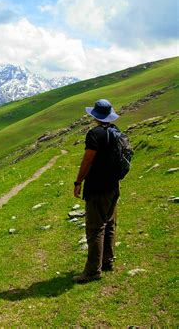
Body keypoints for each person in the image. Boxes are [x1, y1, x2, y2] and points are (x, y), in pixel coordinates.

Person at [72, 99, 120, 284]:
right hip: (114, 186)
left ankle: (93, 271)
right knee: (109, 224)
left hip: (98, 187)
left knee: (95, 228)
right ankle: (107, 261)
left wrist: (78, 181)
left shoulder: (95, 134)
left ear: (95, 116)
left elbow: (88, 160)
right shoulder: (116, 131)